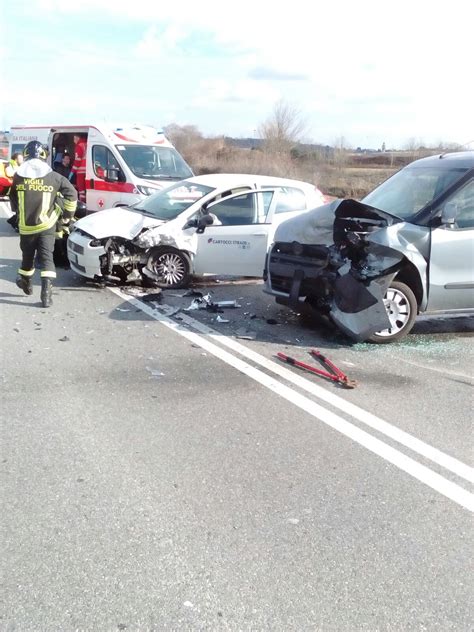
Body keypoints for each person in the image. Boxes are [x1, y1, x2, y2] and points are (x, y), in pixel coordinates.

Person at [9, 140, 77, 308]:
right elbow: (72, 194)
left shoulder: (18, 177)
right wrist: (67, 216)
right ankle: (46, 295)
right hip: (47, 225)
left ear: (25, 156)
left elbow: (13, 199)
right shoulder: (54, 176)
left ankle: (26, 283)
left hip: (26, 226)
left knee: (27, 258)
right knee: (47, 259)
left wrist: (19, 213)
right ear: (44, 156)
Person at [70, 134, 87, 203]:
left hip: (81, 171)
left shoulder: (79, 145)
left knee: (81, 190)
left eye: (74, 139)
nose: (74, 141)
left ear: (77, 138)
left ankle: (82, 204)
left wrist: (72, 171)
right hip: (88, 170)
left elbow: (78, 160)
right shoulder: (86, 144)